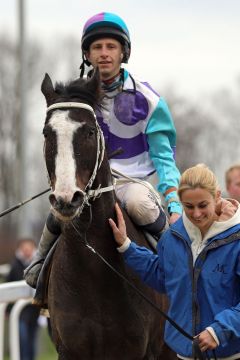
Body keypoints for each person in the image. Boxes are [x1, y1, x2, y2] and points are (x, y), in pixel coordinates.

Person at [24, 12, 181, 288]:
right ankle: (39, 262)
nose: (104, 54)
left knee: (140, 205)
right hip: (86, 184)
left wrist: (174, 202)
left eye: (111, 47)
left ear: (124, 52)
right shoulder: (72, 100)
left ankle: (180, 262)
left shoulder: (148, 100)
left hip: (130, 184)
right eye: (97, 47)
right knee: (60, 207)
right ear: (87, 54)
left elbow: (164, 157)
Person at [109, 164, 240, 360]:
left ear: (217, 196)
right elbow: (162, 277)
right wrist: (127, 247)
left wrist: (219, 331)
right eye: (188, 206)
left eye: (203, 205)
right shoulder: (171, 238)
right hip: (183, 355)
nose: (196, 214)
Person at [6, 238, 40, 360]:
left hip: (34, 310)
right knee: (22, 338)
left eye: (29, 247)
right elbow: (9, 286)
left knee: (32, 339)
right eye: (24, 248)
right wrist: (8, 310)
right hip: (19, 311)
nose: (26, 250)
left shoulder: (39, 263)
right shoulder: (15, 265)